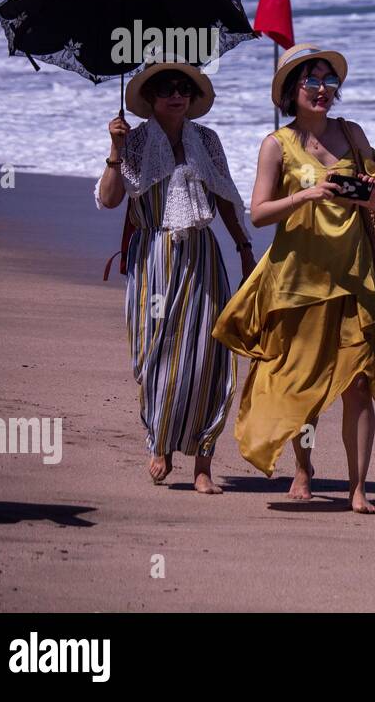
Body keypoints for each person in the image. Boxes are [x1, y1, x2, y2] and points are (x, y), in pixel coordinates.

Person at [213, 43, 375, 514]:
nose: (322, 90)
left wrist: (367, 198)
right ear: (291, 92)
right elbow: (257, 214)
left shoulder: (352, 134)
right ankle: (303, 467)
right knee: (304, 383)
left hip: (354, 278)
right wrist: (308, 194)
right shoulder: (278, 145)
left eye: (329, 82)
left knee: (359, 382)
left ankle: (359, 488)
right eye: (311, 82)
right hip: (298, 282)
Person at [95, 59, 252, 492]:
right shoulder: (134, 140)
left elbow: (224, 197)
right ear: (148, 98)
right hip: (153, 255)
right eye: (165, 88)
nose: (176, 94)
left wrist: (243, 247)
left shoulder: (207, 139)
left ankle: (203, 466)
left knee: (209, 356)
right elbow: (109, 199)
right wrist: (114, 149)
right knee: (154, 354)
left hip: (203, 254)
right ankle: (160, 441)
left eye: (183, 87)